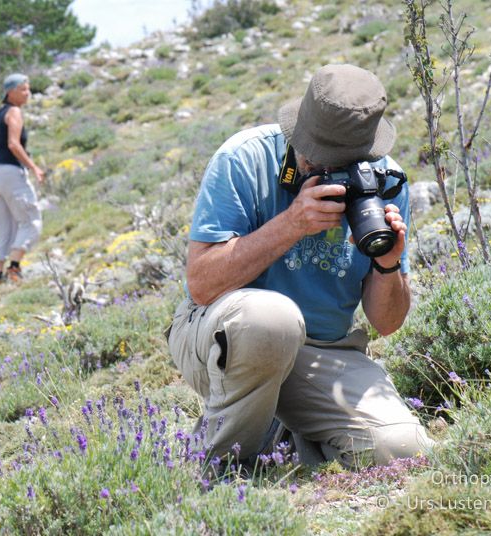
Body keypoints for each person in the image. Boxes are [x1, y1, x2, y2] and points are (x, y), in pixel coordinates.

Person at [167, 64, 433, 469]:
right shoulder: (244, 159)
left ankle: (281, 428)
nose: (326, 169)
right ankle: (217, 465)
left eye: (340, 162)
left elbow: (387, 322)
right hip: (225, 334)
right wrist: (291, 224)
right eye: (318, 158)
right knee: (271, 319)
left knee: (403, 448)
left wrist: (388, 264)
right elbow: (202, 285)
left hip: (323, 351)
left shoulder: (386, 181)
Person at [0, 73, 45, 284]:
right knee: (31, 221)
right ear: (10, 92)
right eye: (23, 89)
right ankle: (14, 268)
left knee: (3, 226)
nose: (27, 93)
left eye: (28, 89)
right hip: (11, 172)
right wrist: (34, 167)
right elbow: (14, 144)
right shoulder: (14, 112)